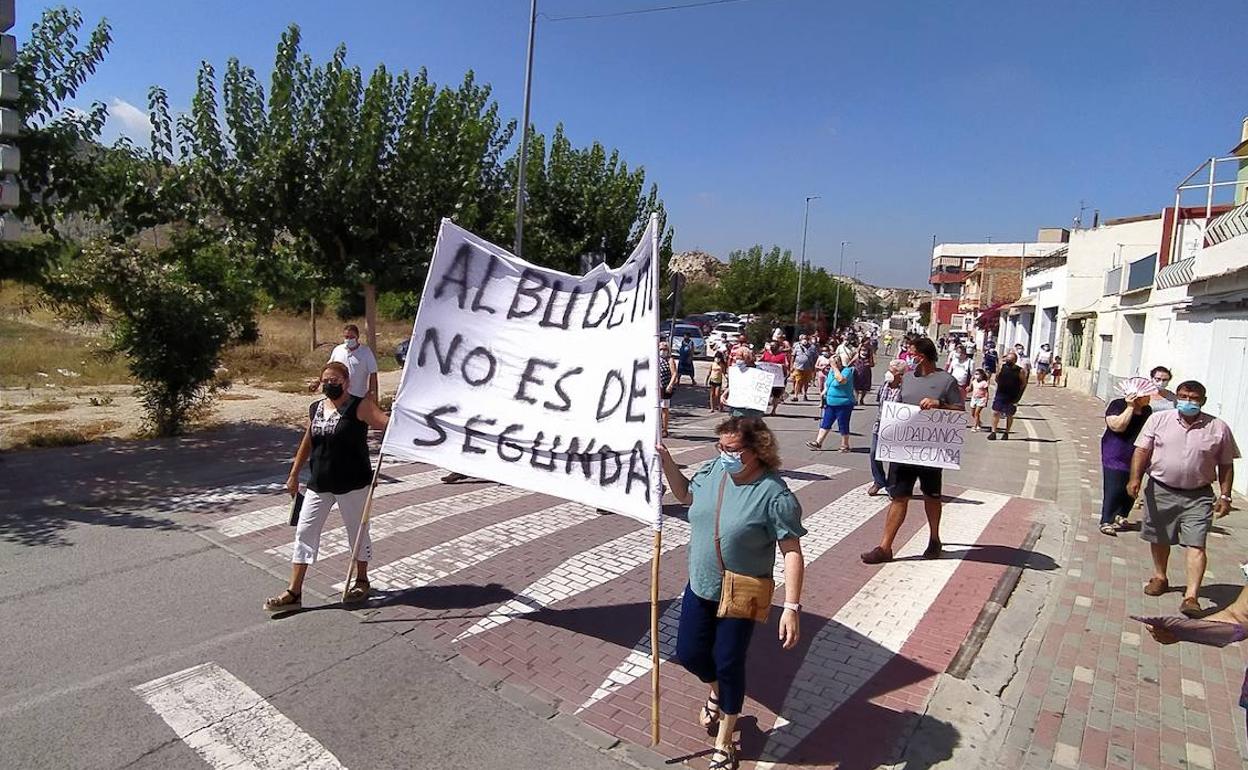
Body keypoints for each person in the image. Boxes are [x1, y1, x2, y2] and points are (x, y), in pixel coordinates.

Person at [657, 417, 806, 770]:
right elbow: (685, 494)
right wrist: (666, 461)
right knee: (689, 654)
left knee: (728, 662)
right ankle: (716, 691)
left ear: (757, 449)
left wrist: (791, 606)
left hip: (742, 592)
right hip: (701, 584)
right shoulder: (713, 472)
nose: (724, 454)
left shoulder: (774, 494)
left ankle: (724, 741)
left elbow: (792, 551)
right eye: (720, 447)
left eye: (733, 449)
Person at [266, 362, 390, 612]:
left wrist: (399, 417)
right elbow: (308, 440)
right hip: (319, 482)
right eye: (326, 381)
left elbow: (387, 425)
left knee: (357, 532)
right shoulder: (317, 408)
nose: (330, 385)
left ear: (347, 382)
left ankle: (361, 580)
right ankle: (294, 591)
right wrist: (294, 473)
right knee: (305, 532)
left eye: (335, 381)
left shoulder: (360, 405)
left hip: (352, 482)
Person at [1129, 380, 1239, 617]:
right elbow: (1142, 450)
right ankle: (1160, 577)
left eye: (1194, 398)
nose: (1188, 401)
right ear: (1176, 397)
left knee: (1196, 543)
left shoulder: (1218, 428)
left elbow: (1226, 464)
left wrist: (1226, 495)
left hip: (1198, 496)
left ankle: (1191, 596)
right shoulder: (1159, 420)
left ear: (1203, 401)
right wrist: (1134, 478)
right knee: (1159, 537)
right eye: (1183, 396)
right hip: (1160, 490)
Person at [861, 337, 964, 564]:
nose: (908, 358)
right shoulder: (907, 378)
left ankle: (934, 539)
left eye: (912, 354)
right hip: (904, 450)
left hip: (931, 451)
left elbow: (959, 410)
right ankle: (885, 547)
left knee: (931, 496)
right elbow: (898, 407)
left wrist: (940, 404)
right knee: (899, 497)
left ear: (922, 356)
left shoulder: (946, 381)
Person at [1099, 377, 1157, 536]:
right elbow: (1117, 426)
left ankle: (1122, 514)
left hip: (1137, 452)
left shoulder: (1147, 410)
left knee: (1132, 485)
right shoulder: (1117, 405)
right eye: (1146, 395)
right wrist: (1130, 407)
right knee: (1115, 486)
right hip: (1116, 452)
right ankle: (1106, 520)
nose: (1149, 398)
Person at [867, 359, 905, 495]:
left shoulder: (904, 390)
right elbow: (880, 403)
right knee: (873, 453)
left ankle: (892, 486)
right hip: (880, 425)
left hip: (896, 428)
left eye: (892, 371)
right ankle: (879, 481)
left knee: (894, 458)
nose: (888, 373)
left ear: (899, 374)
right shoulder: (884, 386)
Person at [807, 353, 855, 452]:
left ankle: (845, 445)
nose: (831, 366)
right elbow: (828, 383)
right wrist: (824, 391)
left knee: (843, 423)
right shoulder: (831, 371)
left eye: (833, 363)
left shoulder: (847, 371)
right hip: (830, 402)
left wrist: (835, 368)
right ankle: (818, 442)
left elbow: (841, 380)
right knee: (826, 422)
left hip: (843, 403)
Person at [324, 324, 379, 402]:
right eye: (346, 337)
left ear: (357, 337)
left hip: (358, 395)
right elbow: (328, 369)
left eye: (352, 337)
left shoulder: (366, 352)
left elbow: (373, 374)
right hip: (339, 395)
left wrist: (372, 393)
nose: (349, 339)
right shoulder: (338, 350)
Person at [989, 351, 1025, 440]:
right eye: (1007, 359)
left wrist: (1018, 396)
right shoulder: (1002, 367)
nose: (1008, 361)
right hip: (1001, 394)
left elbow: (1023, 383)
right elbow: (997, 377)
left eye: (1010, 359)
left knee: (1009, 414)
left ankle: (1006, 432)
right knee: (996, 412)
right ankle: (993, 432)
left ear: (1015, 360)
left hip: (1012, 396)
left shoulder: (1020, 370)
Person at [721, 349, 763, 419]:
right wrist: (724, 395)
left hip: (752, 408)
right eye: (736, 358)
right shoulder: (736, 370)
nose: (737, 360)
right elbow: (734, 385)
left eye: (740, 358)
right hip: (738, 406)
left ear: (747, 358)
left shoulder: (758, 371)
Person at [760, 338, 789, 416]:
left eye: (774, 346)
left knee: (776, 395)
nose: (772, 347)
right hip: (766, 378)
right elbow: (760, 362)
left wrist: (783, 368)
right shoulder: (766, 354)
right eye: (771, 346)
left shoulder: (782, 356)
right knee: (765, 395)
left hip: (778, 379)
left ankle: (773, 410)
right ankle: (762, 410)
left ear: (778, 347)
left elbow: (786, 365)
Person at [790, 334, 819, 401]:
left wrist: (814, 367)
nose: (804, 340)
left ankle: (805, 394)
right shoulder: (797, 346)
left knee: (806, 382)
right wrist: (791, 366)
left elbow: (815, 357)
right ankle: (796, 396)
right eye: (803, 339)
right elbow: (793, 356)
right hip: (798, 367)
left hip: (808, 368)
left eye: (806, 338)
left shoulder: (813, 347)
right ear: (800, 340)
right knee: (798, 381)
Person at [658, 340, 678, 437]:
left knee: (664, 408)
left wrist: (670, 385)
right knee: (656, 408)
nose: (663, 351)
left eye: (665, 349)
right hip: (657, 387)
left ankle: (664, 429)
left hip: (665, 387)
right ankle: (657, 427)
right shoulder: (656, 359)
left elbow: (674, 373)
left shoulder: (670, 360)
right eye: (661, 349)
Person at [851, 341, 875, 405]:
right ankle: (856, 400)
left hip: (866, 373)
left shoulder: (869, 357)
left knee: (865, 388)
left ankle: (861, 399)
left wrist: (869, 360)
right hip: (857, 373)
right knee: (856, 387)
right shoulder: (857, 356)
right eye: (862, 350)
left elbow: (872, 364)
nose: (864, 352)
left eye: (865, 350)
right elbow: (850, 363)